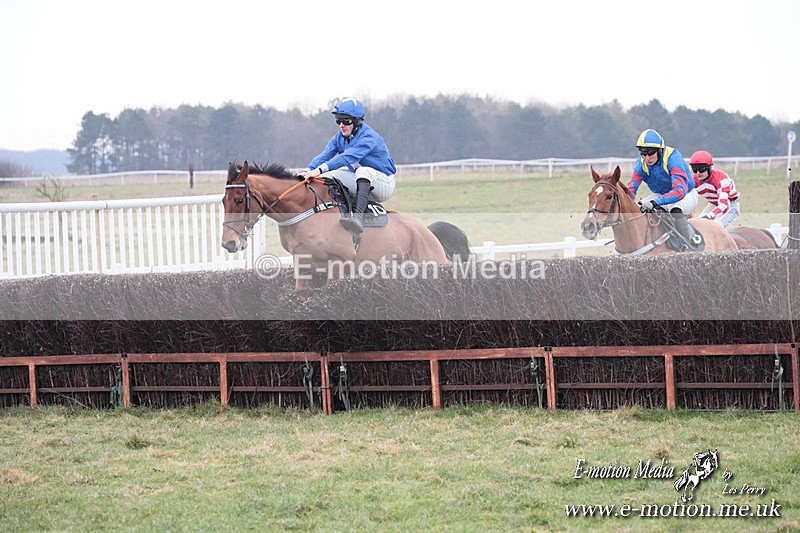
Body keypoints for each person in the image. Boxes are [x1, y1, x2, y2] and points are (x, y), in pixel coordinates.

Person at [300, 98, 396, 234]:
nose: (341, 125)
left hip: (384, 184)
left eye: (346, 121)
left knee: (363, 171)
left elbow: (347, 157)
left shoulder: (369, 138)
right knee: (327, 176)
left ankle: (357, 218)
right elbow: (324, 155)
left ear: (357, 122)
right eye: (338, 120)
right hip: (362, 181)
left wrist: (318, 169)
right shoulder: (338, 138)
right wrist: (308, 170)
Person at [628, 128, 700, 247]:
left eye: (650, 153)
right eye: (643, 153)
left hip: (686, 194)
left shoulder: (673, 157)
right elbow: (631, 188)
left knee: (675, 208)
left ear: (660, 150)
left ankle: (688, 246)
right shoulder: (641, 163)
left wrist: (656, 202)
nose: (647, 158)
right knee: (639, 207)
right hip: (662, 195)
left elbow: (679, 191)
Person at [689, 150, 740, 227]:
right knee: (696, 227)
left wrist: (710, 216)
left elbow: (724, 205)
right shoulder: (693, 180)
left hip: (730, 206)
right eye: (695, 169)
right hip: (713, 205)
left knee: (715, 227)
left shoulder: (721, 179)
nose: (698, 173)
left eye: (701, 169)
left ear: (709, 168)